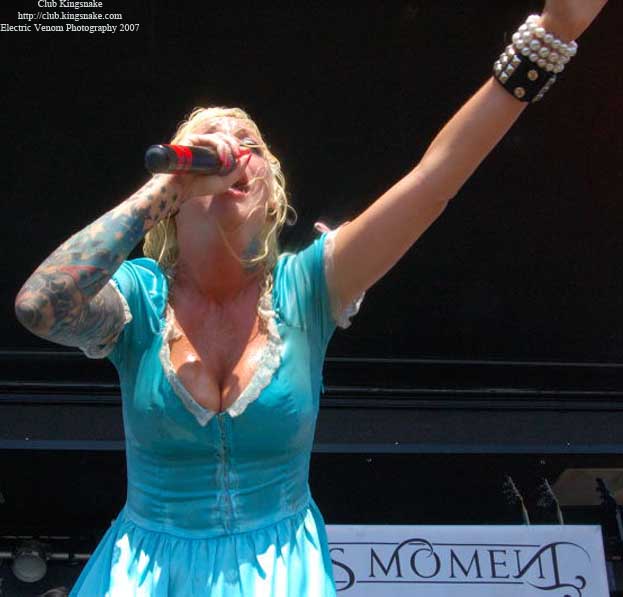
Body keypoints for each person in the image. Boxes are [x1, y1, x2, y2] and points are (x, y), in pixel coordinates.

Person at [14, 1, 608, 595]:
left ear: (272, 194)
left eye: (246, 144)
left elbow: (434, 179)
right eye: (207, 144)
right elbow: (39, 305)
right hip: (145, 574)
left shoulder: (308, 288)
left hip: (279, 574)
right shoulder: (140, 300)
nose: (228, 150)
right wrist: (160, 192)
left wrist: (552, 35)